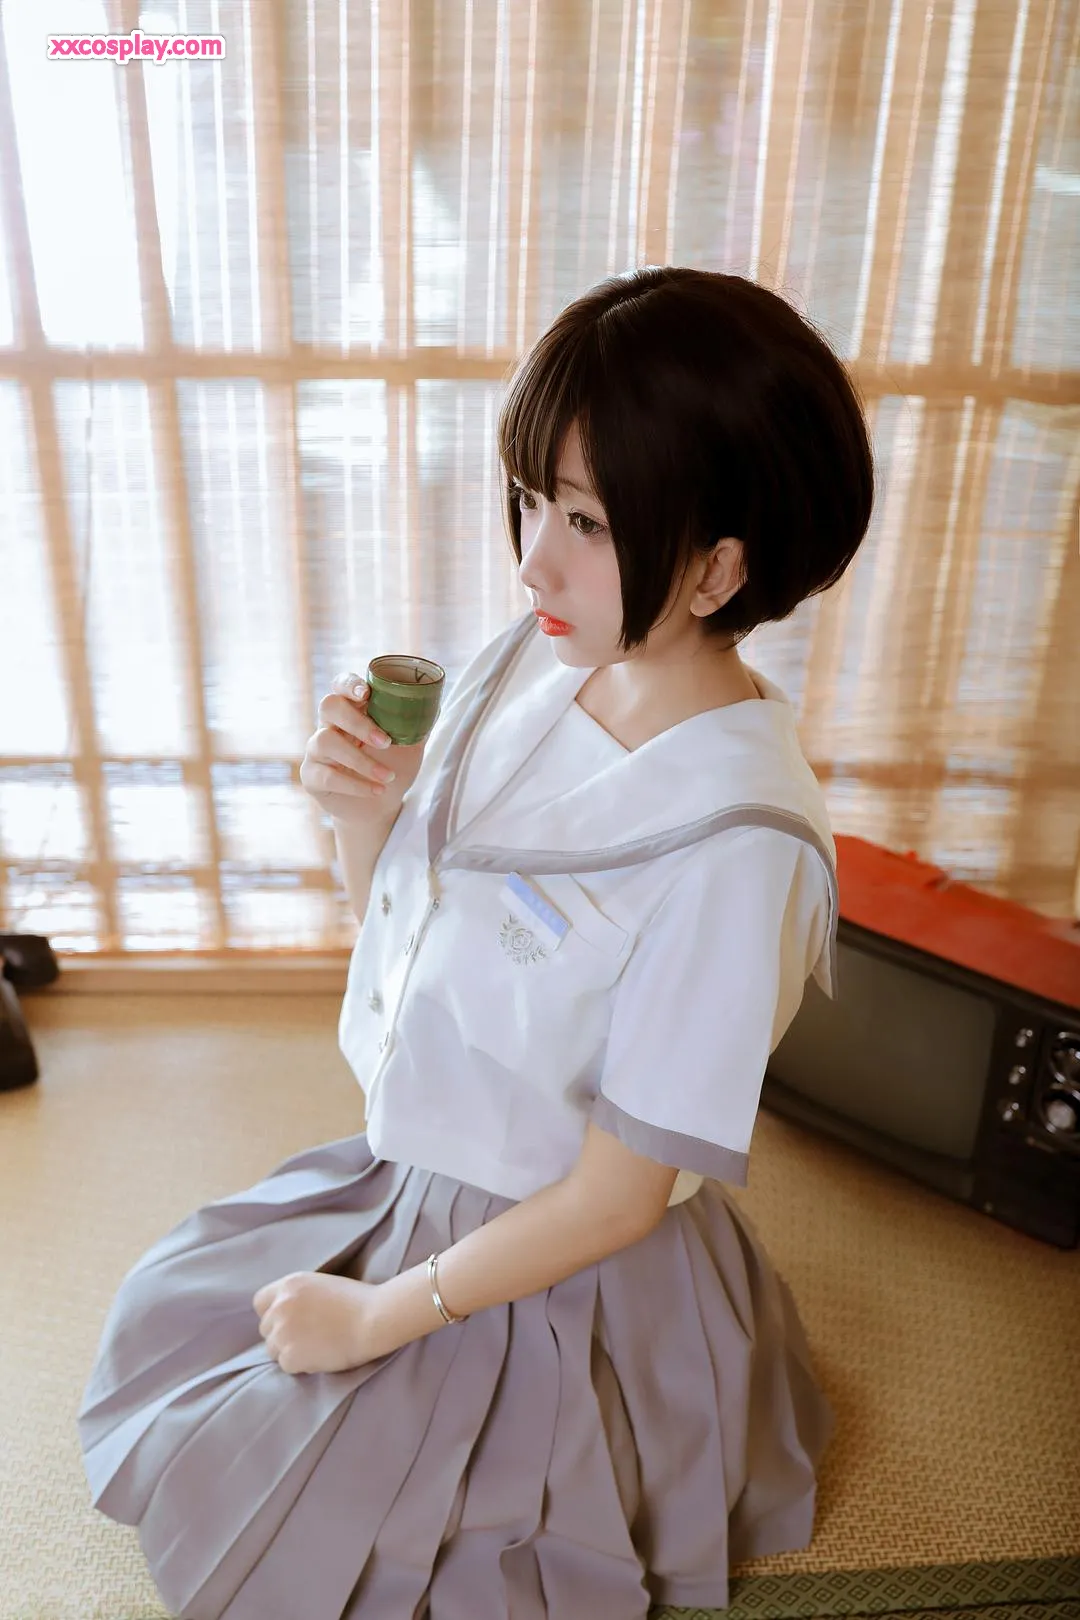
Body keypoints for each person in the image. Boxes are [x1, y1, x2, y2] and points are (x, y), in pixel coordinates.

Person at [78, 266, 874, 1620]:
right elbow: (428, 940)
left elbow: (617, 1201)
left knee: (329, 1550)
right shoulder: (536, 658)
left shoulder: (740, 847)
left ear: (717, 568)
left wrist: (378, 1319)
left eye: (585, 520)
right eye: (530, 499)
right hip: (420, 1168)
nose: (532, 560)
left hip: (562, 1256)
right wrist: (366, 814)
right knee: (176, 1329)